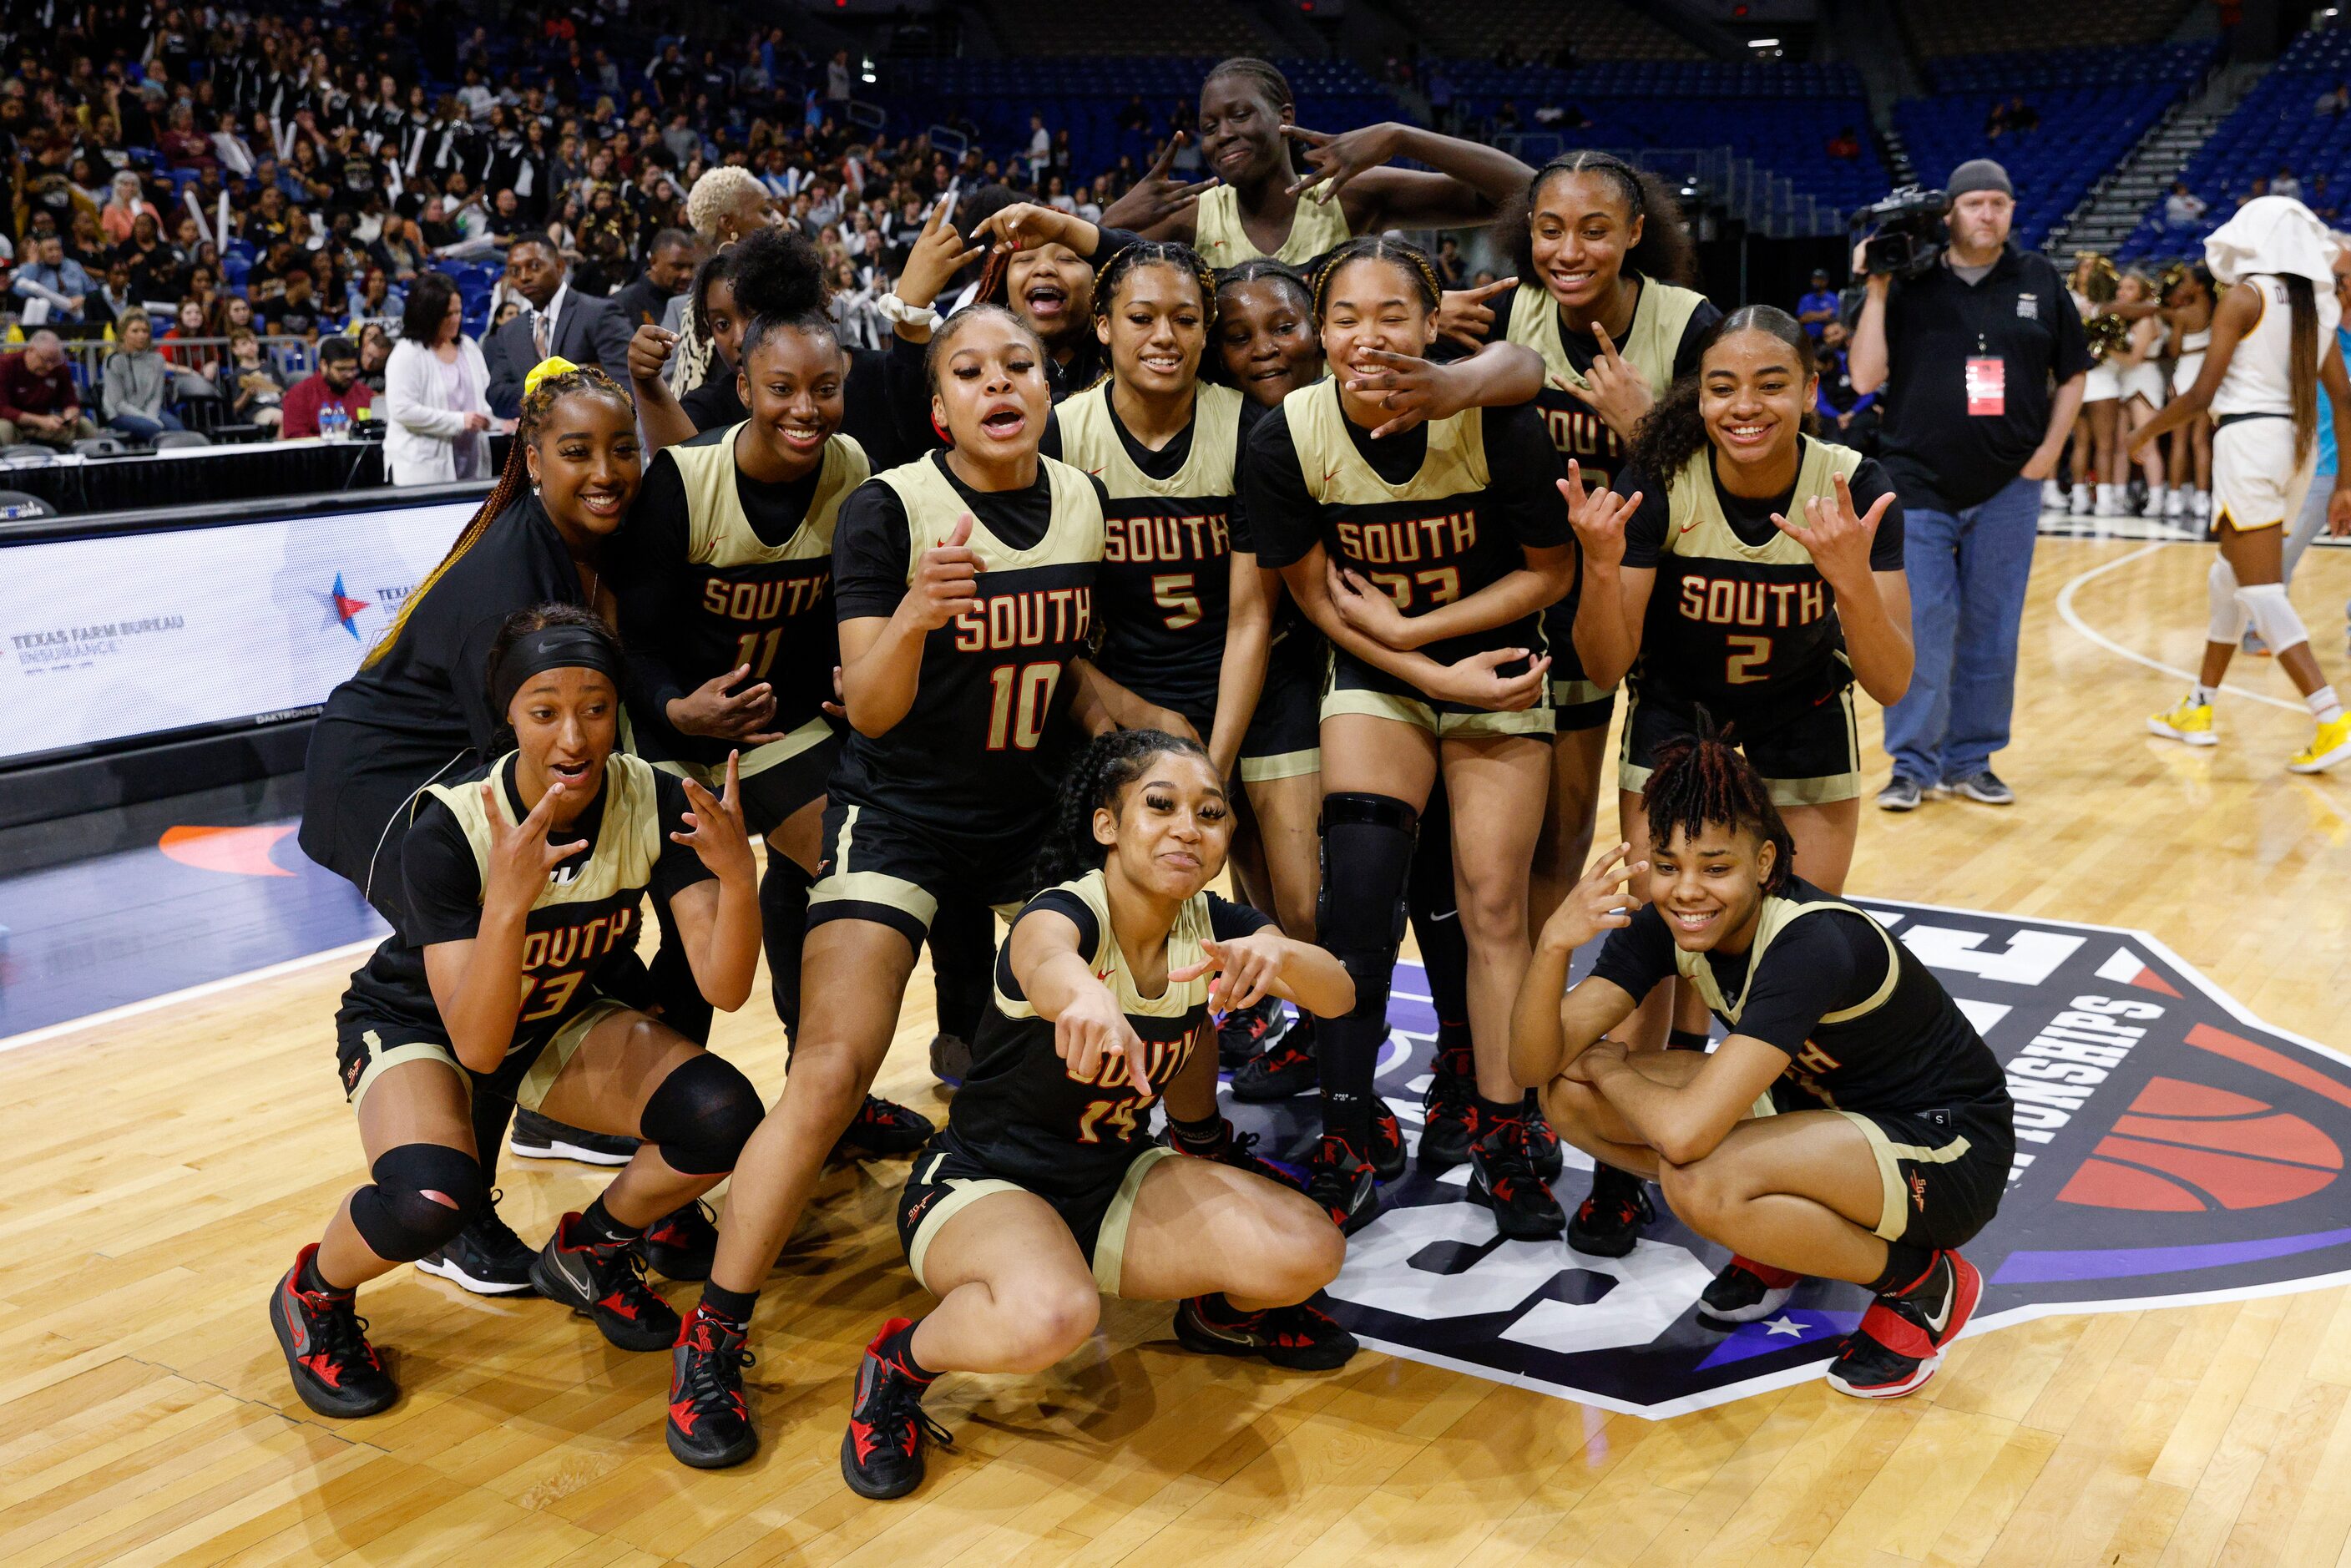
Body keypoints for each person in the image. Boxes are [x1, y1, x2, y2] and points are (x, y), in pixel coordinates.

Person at [662, 307, 1163, 1463]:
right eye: (971, 372)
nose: (1001, 384)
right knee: (832, 1071)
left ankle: (1064, 1226)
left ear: (1049, 385)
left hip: (1027, 822)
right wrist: (920, 615)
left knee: (1102, 1009)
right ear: (940, 406)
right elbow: (872, 704)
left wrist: (1160, 752)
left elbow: (1075, 669)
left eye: (1020, 367)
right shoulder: (888, 507)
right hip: (898, 815)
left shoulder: (1081, 500)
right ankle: (716, 1329)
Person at [814, 730, 1358, 1496]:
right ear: (1107, 825)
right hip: (981, 1186)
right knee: (1053, 1319)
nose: (1187, 828)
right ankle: (899, 1365)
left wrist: (1288, 957)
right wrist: (1086, 995)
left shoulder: (1219, 924)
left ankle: (1217, 1317)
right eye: (1160, 805)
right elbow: (1045, 958)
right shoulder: (1064, 912)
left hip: (1110, 1180)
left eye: (1210, 814)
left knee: (1309, 1252)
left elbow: (1339, 995)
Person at [269, 604, 768, 1419]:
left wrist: (736, 877)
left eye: (595, 709)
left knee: (720, 1117)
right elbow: (475, 1042)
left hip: (556, 1015)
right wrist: (507, 902)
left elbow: (724, 987)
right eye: (544, 713)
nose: (572, 737)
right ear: (509, 715)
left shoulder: (659, 796)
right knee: (432, 1200)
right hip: (422, 1025)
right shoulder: (450, 825)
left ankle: (592, 1252)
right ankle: (314, 1294)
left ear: (619, 711)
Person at [300, 360, 699, 1293]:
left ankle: (558, 1115)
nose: (604, 471)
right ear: (530, 455)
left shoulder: (599, 535)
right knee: (488, 955)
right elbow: (525, 777)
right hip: (391, 778)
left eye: (619, 450)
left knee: (550, 949)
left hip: (454, 753)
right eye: (575, 453)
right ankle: (452, 1211)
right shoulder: (506, 582)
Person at [1561, 304, 1913, 1270]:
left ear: (1809, 388)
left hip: (1799, 727)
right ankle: (1619, 1179)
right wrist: (1599, 567)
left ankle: (1789, 1187)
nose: (1744, 404)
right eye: (1721, 385)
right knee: (1650, 948)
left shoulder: (1853, 483)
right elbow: (1602, 663)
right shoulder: (1660, 479)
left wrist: (1846, 579)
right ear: (1696, 395)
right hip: (1679, 723)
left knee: (1795, 969)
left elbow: (1889, 680)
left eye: (1770, 383)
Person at [1512, 733, 2013, 1399]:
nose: (1687, 890)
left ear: (1764, 862)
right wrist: (1552, 944)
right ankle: (1783, 1237)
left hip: (1946, 1147)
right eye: (1667, 865)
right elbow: (1529, 1064)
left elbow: (1686, 1135)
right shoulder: (1671, 917)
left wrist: (1613, 1071)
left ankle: (1921, 1282)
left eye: (1715, 868)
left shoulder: (1811, 943)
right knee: (1564, 1093)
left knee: (1701, 1178)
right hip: (1827, 1118)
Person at [1244, 236, 1570, 1235]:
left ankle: (1503, 1125)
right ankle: (1349, 1131)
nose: (1367, 336)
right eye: (1345, 316)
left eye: (1392, 314)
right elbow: (1315, 597)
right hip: (1382, 679)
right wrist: (1421, 666)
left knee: (1491, 903)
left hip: (1499, 669)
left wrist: (1420, 631)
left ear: (1433, 323)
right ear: (1318, 329)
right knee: (1358, 903)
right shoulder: (1286, 435)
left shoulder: (1494, 418)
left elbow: (1551, 573)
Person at [610, 303, 932, 1165]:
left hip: (776, 729)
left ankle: (827, 1095)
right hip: (672, 735)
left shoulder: (853, 464)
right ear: (742, 385)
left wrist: (842, 664)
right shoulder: (681, 478)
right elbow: (631, 637)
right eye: (782, 388)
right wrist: (679, 709)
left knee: (847, 881)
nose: (804, 409)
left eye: (824, 389)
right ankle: (666, 1149)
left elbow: (845, 600)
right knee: (701, 947)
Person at [1492, 154, 1722, 1226]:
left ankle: (1643, 1122)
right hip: (1520, 611)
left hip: (1649, 627)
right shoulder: (1506, 320)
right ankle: (1519, 1088)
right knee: (1534, 870)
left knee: (1648, 892)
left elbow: (1734, 486)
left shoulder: (1689, 325)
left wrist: (1642, 432)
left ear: (1635, 232)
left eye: (1591, 229)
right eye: (1547, 228)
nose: (1566, 250)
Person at [1848, 159, 2089, 812]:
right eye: (1976, 202)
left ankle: (1971, 759)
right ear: (1950, 212)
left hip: (2009, 483)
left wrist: (2047, 453)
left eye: (2000, 203)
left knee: (1992, 627)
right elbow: (1866, 377)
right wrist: (1875, 285)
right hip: (1917, 480)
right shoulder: (1911, 279)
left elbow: (2073, 373)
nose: (1989, 213)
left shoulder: (2037, 277)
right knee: (1921, 625)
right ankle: (1911, 765)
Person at [2136, 197, 2351, 771]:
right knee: (2227, 578)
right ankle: (2199, 706)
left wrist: (2144, 435)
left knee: (2260, 589)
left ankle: (2330, 715)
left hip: (2248, 442)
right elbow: (2345, 402)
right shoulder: (2316, 306)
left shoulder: (2246, 296)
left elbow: (2201, 394)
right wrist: (2345, 486)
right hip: (2295, 451)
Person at [1104, 57, 1532, 271]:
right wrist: (1113, 221)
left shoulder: (1349, 196)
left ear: (1284, 118)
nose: (1224, 135)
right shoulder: (1195, 217)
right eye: (1210, 126)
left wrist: (1401, 137)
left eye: (1240, 115)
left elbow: (1527, 193)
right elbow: (1069, 285)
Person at [483, 235, 632, 418]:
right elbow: (497, 398)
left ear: (560, 266)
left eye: (534, 266)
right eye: (514, 271)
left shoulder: (599, 313)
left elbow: (627, 386)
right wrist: (558, 380)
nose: (524, 277)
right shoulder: (509, 332)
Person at [385, 271, 495, 484]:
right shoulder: (407, 352)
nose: (456, 319)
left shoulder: (469, 347)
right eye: (447, 315)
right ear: (428, 315)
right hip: (422, 471)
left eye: (458, 312)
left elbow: (486, 397)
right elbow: (402, 409)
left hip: (472, 465)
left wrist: (497, 420)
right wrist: (459, 421)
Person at [2161, 263, 2216, 522]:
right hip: (2207, 378)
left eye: (2186, 281)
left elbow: (2173, 351)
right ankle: (2202, 499)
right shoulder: (2219, 311)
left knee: (2179, 441)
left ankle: (2174, 499)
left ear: (2199, 286)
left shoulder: (2184, 314)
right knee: (2201, 441)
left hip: (2184, 377)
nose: (2182, 286)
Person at [0, 330, 100, 448]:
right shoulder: (5, 365)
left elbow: (70, 400)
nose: (50, 366)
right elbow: (2, 409)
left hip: (48, 424)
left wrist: (71, 413)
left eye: (55, 361)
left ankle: (92, 461)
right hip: (15, 424)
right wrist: (39, 420)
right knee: (4, 427)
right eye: (45, 360)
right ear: (31, 350)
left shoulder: (60, 369)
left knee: (84, 424)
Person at [99, 310, 185, 442]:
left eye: (145, 331)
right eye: (135, 331)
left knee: (179, 431)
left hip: (151, 411)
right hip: (119, 415)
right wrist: (149, 421)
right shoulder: (113, 360)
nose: (141, 335)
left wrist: (151, 417)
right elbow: (118, 404)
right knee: (154, 430)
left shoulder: (157, 359)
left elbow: (156, 398)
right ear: (123, 334)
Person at [281, 335, 377, 438]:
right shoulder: (299, 395)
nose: (349, 375)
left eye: (352, 369)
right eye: (341, 369)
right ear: (323, 365)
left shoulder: (366, 394)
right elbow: (296, 439)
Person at [609, 227, 697, 330]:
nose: (687, 275)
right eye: (678, 267)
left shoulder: (694, 303)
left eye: (691, 267)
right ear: (654, 262)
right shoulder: (621, 305)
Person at [1796, 268, 1839, 341]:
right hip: (1808, 338)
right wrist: (1823, 315)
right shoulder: (1805, 298)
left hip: (1825, 339)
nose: (1816, 282)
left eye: (1819, 279)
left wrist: (1811, 315)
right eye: (1814, 279)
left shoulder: (1832, 298)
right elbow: (1802, 319)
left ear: (1826, 281)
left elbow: (1833, 318)